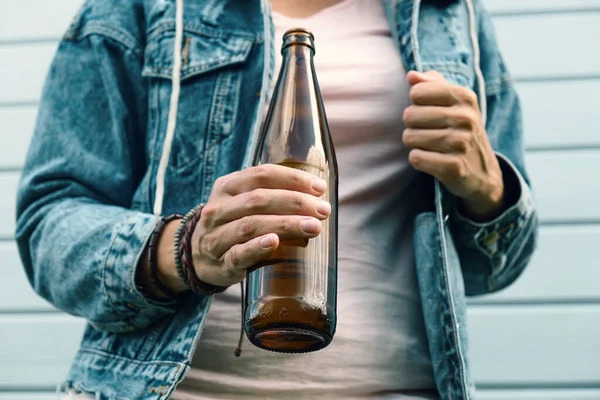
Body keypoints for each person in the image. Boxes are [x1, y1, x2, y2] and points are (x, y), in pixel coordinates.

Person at [15, 0, 538, 399]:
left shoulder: (448, 14)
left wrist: (487, 188)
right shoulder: (142, 8)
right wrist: (185, 249)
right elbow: (49, 220)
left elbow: (491, 270)